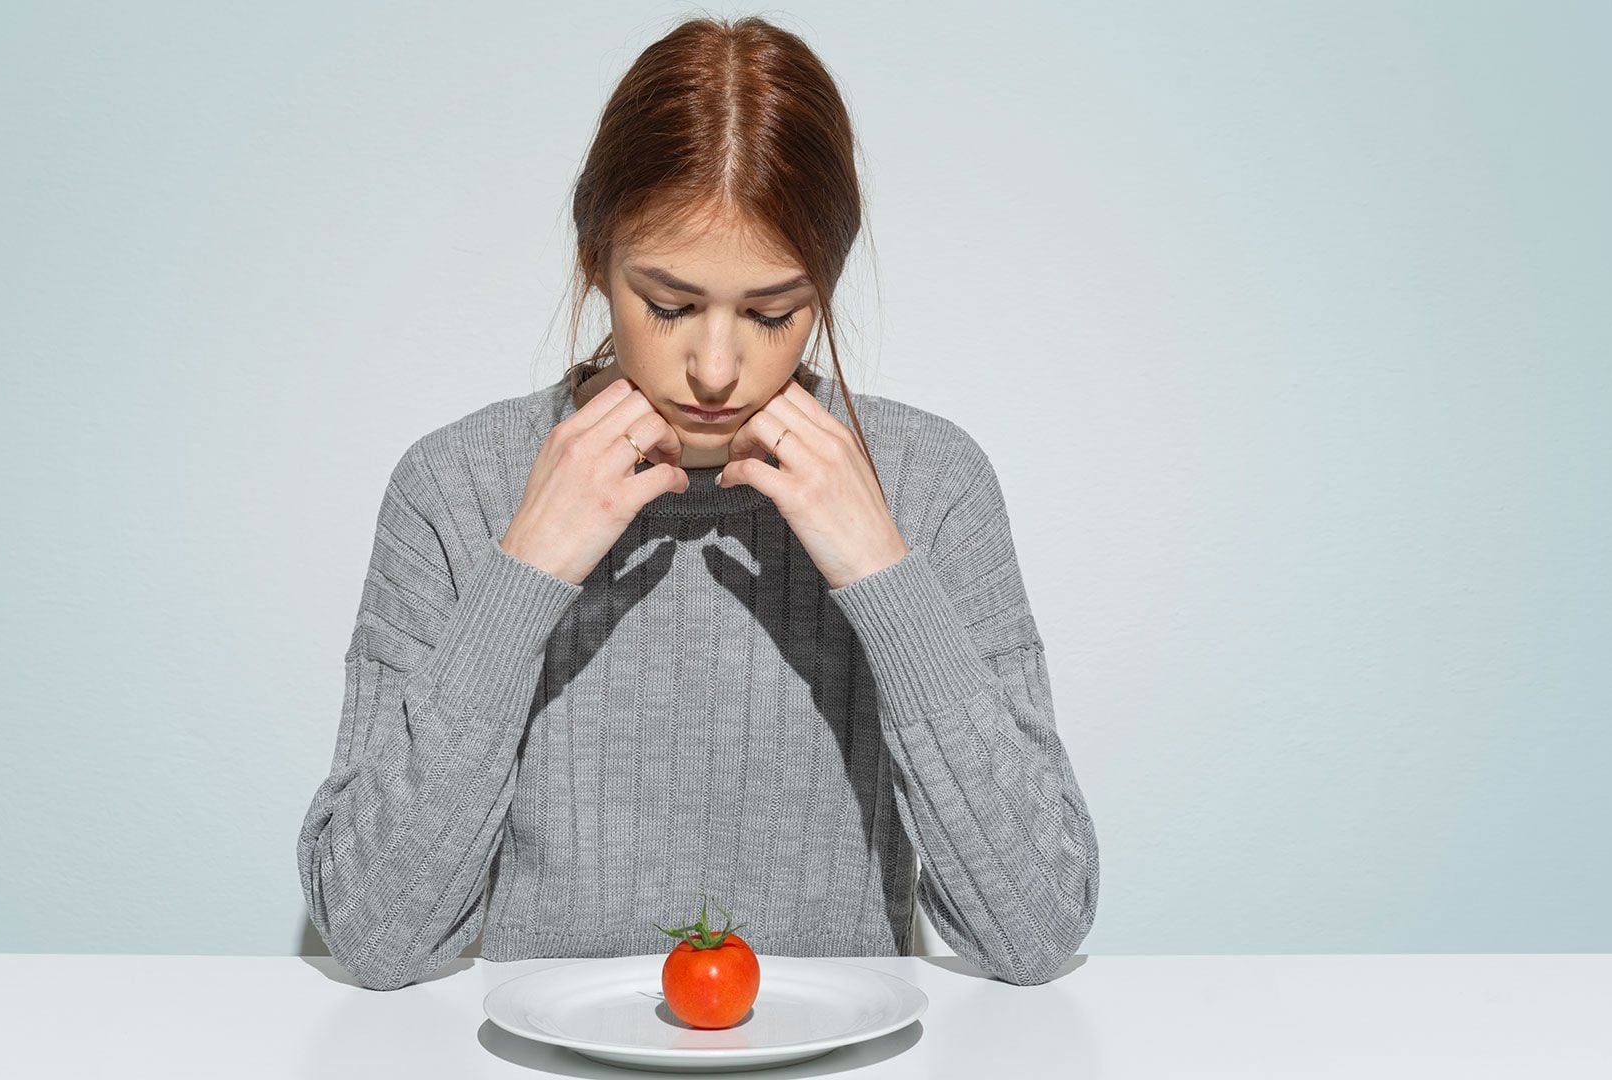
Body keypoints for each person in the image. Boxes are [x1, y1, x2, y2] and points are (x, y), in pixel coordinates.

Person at [295, 15, 1099, 991]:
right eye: (668, 304)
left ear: (827, 287)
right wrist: (523, 576)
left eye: (773, 314)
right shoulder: (453, 486)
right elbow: (373, 939)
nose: (716, 370)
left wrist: (885, 576)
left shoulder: (935, 482)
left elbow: (1040, 930)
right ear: (596, 260)